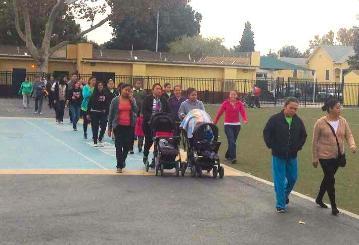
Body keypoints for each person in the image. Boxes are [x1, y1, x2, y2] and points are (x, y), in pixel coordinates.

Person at [312, 98, 356, 216]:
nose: (339, 109)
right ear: (330, 108)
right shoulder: (320, 122)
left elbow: (349, 135)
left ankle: (319, 198)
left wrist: (352, 145)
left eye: (340, 106)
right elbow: (315, 141)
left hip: (338, 156)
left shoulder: (343, 121)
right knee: (331, 179)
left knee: (327, 177)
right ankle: (334, 207)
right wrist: (315, 157)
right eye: (337, 107)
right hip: (324, 156)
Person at [263, 97, 307, 213]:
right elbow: (267, 132)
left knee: (293, 178)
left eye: (295, 109)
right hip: (278, 155)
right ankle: (280, 204)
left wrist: (298, 147)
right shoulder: (275, 119)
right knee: (280, 180)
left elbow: (303, 135)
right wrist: (272, 145)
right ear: (285, 106)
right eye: (291, 108)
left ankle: (284, 195)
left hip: (292, 155)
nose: (293, 111)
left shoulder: (298, 121)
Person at [108, 84, 138, 173]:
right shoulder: (115, 100)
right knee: (118, 146)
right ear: (121, 90)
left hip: (129, 126)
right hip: (118, 126)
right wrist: (109, 128)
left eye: (129, 90)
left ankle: (122, 160)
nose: (127, 92)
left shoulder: (132, 100)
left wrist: (132, 101)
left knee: (127, 146)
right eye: (126, 90)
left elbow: (136, 110)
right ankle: (119, 165)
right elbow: (111, 114)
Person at [213, 90, 248, 164]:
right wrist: (215, 122)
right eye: (231, 94)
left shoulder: (239, 104)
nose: (233, 96)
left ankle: (227, 155)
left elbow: (243, 112)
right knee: (232, 141)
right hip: (228, 125)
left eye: (234, 94)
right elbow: (220, 113)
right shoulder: (225, 103)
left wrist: (245, 119)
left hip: (237, 126)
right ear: (229, 95)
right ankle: (233, 158)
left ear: (236, 96)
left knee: (233, 142)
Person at [142, 83, 170, 166]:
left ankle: (155, 159)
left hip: (160, 125)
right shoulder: (147, 99)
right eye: (157, 89)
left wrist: (164, 118)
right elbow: (144, 111)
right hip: (149, 124)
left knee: (158, 143)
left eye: (160, 89)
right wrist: (151, 118)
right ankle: (145, 155)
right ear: (153, 90)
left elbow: (168, 111)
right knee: (149, 141)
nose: (159, 90)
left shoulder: (164, 100)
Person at [87, 81, 111, 147]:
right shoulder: (93, 94)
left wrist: (107, 111)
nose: (100, 86)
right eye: (99, 85)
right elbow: (89, 104)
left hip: (103, 113)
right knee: (95, 127)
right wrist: (88, 114)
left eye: (101, 85)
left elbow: (107, 104)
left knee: (103, 126)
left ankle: (100, 137)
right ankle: (95, 141)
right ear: (97, 86)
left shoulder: (105, 94)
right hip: (94, 113)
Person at [132, 80, 147, 153]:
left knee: (141, 129)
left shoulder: (144, 92)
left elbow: (145, 102)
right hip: (133, 112)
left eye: (140, 83)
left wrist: (142, 111)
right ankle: (131, 145)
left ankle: (140, 145)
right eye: (137, 83)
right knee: (133, 128)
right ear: (135, 84)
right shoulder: (132, 91)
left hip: (141, 113)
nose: (139, 84)